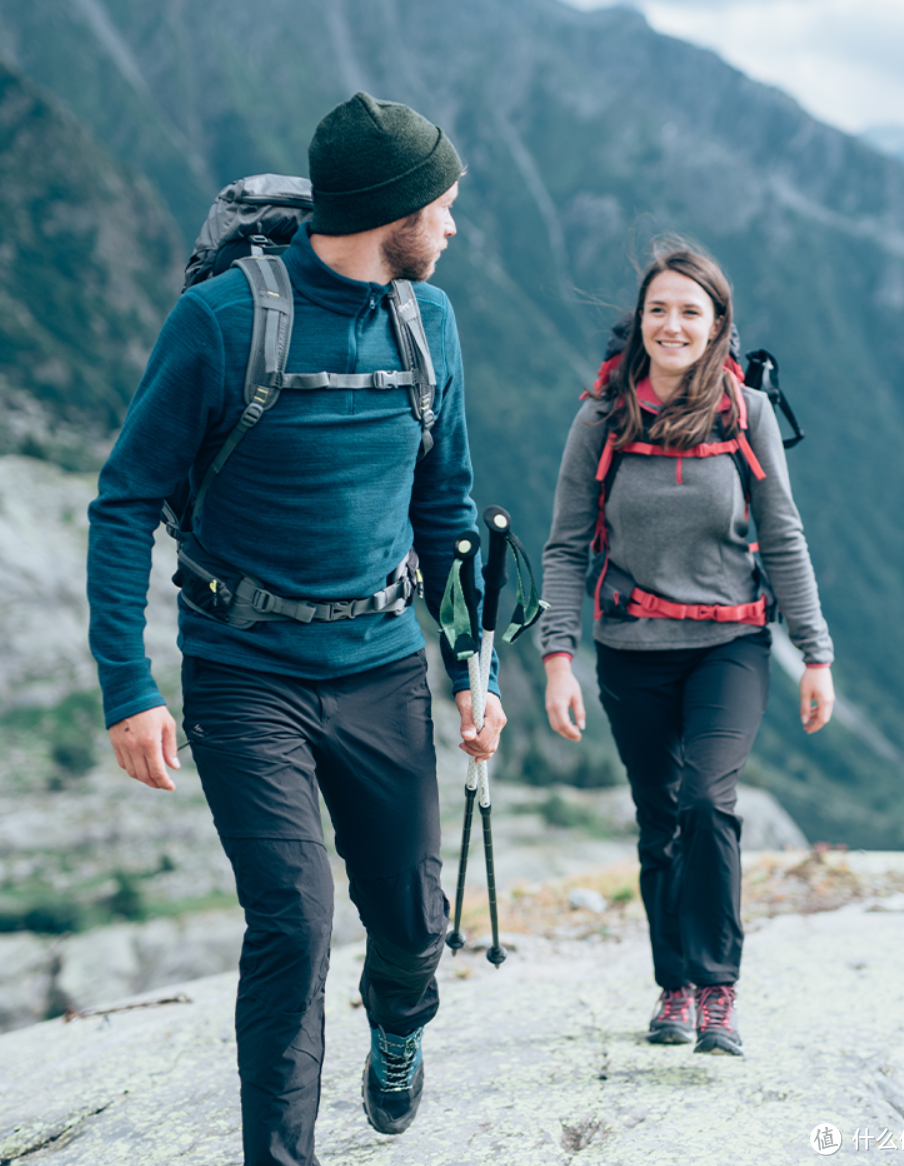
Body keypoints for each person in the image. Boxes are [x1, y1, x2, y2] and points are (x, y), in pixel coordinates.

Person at [87, 92, 505, 1164]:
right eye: (443, 206)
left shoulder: (430, 323)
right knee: (292, 921)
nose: (452, 228)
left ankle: (399, 1029)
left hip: (377, 667)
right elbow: (125, 500)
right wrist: (129, 686)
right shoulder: (224, 320)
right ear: (390, 209)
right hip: (242, 671)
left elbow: (446, 511)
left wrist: (469, 664)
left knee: (412, 925)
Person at [539, 243, 834, 1056]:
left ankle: (718, 989)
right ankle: (673, 988)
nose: (672, 324)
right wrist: (558, 656)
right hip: (631, 647)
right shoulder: (601, 417)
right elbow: (566, 548)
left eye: (690, 311)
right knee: (660, 818)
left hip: (729, 645)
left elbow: (783, 536)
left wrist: (815, 652)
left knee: (708, 801)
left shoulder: (748, 414)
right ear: (640, 321)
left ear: (716, 326)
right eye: (659, 309)